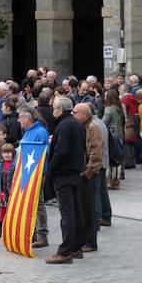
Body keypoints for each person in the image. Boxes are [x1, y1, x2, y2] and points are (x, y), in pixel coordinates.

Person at [46, 96, 86, 264]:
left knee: (67, 213)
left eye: (54, 107)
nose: (52, 110)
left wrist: (51, 169)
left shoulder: (63, 125)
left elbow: (61, 152)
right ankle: (76, 246)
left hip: (64, 174)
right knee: (76, 211)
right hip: (75, 172)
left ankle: (65, 251)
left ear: (60, 109)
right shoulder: (77, 123)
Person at [15, 106, 51, 248]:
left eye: (20, 117)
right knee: (30, 202)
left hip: (36, 173)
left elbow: (44, 154)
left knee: (38, 203)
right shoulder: (28, 132)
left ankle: (42, 235)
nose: (19, 120)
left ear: (27, 117)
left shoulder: (40, 132)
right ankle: (33, 233)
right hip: (26, 173)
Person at [73, 103, 104, 253]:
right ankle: (84, 239)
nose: (73, 115)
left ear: (84, 115)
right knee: (83, 208)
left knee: (89, 209)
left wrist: (87, 173)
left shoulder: (93, 128)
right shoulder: (82, 127)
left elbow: (96, 153)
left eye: (76, 112)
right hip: (83, 172)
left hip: (89, 174)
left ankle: (91, 242)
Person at [102, 89, 124, 190]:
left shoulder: (108, 109)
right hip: (119, 135)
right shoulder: (121, 107)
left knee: (108, 157)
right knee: (117, 159)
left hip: (110, 136)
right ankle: (116, 181)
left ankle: (107, 181)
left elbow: (103, 122)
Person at [0, 143, 16, 238]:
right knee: (2, 210)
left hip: (12, 193)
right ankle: (0, 229)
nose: (6, 155)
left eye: (8, 153)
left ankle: (11, 229)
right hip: (2, 193)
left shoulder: (15, 165)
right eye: (4, 153)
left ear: (13, 154)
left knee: (12, 211)